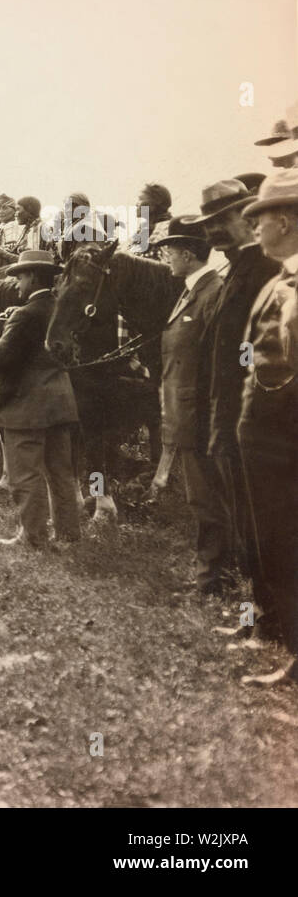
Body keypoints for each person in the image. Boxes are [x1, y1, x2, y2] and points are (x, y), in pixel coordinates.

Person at [194, 178, 281, 632]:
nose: (213, 232)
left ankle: (273, 622)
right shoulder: (235, 273)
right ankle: (261, 616)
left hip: (250, 418)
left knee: (262, 524)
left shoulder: (264, 269)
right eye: (208, 224)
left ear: (247, 220)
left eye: (221, 221)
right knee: (245, 522)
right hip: (226, 417)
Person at [236, 170, 298, 686]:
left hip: (286, 441)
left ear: (284, 220)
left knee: (287, 544)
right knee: (277, 546)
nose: (253, 228)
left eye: (259, 219)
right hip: (266, 442)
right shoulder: (280, 280)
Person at [150, 216, 231, 595]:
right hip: (184, 414)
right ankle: (211, 570)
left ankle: (212, 578)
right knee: (200, 497)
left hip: (200, 417)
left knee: (207, 498)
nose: (164, 256)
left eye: (169, 250)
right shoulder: (189, 291)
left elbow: (218, 363)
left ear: (186, 253)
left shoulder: (213, 292)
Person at [0, 249, 81, 550]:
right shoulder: (63, 308)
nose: (15, 283)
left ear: (31, 276)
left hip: (26, 406)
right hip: (61, 402)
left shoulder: (23, 314)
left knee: (25, 475)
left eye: (19, 276)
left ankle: (33, 537)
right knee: (61, 473)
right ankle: (67, 535)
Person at [128, 183, 172, 258]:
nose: (136, 204)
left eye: (141, 199)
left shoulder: (166, 228)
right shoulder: (143, 228)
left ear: (156, 202)